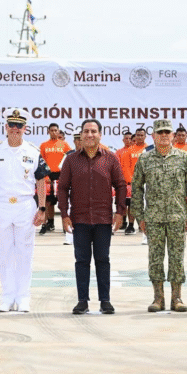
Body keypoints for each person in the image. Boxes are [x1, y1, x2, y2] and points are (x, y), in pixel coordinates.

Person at [0, 108, 48, 313]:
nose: (15, 129)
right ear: (6, 127)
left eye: (19, 126)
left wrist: (42, 209)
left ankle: (23, 297)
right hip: (1, 207)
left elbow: (41, 181)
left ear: (25, 128)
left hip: (25, 205)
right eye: (12, 125)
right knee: (4, 253)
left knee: (25, 253)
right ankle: (7, 297)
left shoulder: (33, 151)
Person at [59, 119, 126, 315]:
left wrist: (120, 212)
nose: (90, 135)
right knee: (81, 261)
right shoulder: (71, 160)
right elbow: (62, 188)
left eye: (93, 131)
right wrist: (64, 214)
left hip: (103, 220)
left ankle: (105, 300)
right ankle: (82, 301)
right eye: (86, 131)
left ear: (100, 135)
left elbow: (121, 185)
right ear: (81, 135)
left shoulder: (110, 159)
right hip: (79, 219)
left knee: (103, 260)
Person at [131, 120, 187, 312]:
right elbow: (136, 188)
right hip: (153, 218)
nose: (163, 136)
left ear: (172, 136)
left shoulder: (183, 158)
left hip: (177, 217)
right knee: (155, 258)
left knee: (177, 258)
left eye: (167, 132)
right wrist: (140, 217)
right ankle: (158, 298)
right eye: (159, 132)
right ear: (153, 136)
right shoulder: (145, 159)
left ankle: (176, 297)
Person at [39, 123, 71, 235]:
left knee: (63, 202)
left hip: (61, 176)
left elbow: (69, 161)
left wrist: (66, 176)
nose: (53, 132)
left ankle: (65, 226)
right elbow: (41, 162)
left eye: (55, 130)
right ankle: (47, 223)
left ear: (58, 132)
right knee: (47, 202)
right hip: (48, 176)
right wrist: (45, 176)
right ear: (48, 131)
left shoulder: (65, 145)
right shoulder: (43, 145)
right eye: (51, 130)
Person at [121, 127, 148, 234]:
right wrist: (132, 181)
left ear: (145, 136)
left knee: (147, 205)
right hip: (134, 183)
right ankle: (131, 225)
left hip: (148, 183)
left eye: (142, 135)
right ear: (135, 136)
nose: (140, 137)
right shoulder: (129, 151)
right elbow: (125, 167)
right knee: (132, 205)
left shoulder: (150, 149)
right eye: (138, 135)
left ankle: (144, 225)